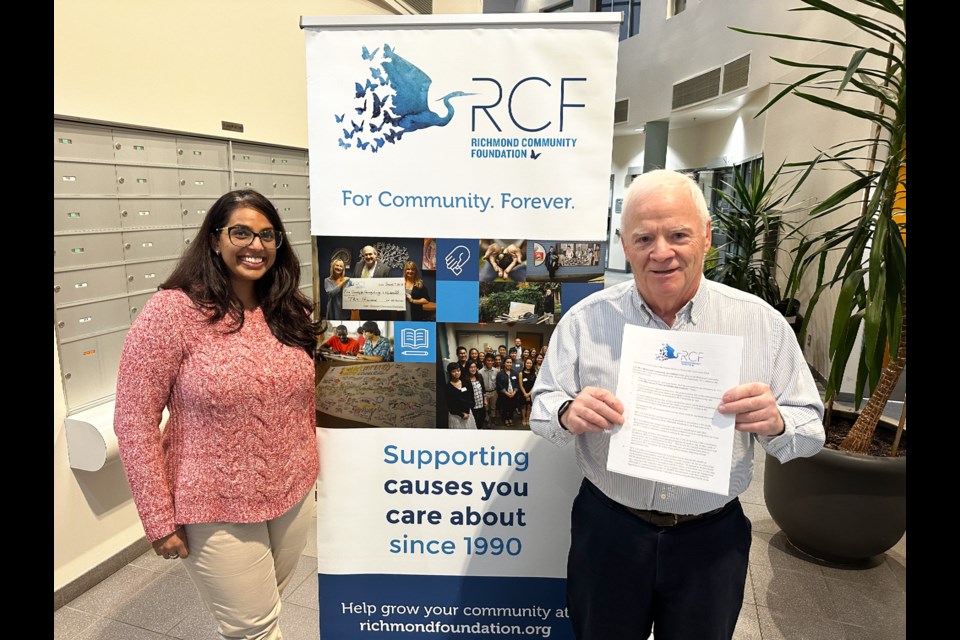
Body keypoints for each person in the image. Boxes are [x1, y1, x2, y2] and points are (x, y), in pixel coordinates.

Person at [530, 170, 825, 640]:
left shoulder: (761, 325)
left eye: (678, 234)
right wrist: (567, 412)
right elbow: (541, 406)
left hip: (710, 541)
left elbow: (811, 431)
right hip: (609, 533)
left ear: (707, 237)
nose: (661, 251)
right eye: (644, 237)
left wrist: (778, 422)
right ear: (624, 245)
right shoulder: (585, 321)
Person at [113, 189, 320, 639]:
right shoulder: (171, 312)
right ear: (213, 239)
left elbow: (302, 402)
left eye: (268, 235)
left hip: (293, 491)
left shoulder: (286, 306)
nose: (256, 245)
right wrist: (158, 519)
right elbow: (133, 419)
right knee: (254, 628)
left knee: (266, 606)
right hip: (214, 502)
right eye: (241, 232)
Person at [445, 362, 477, 429]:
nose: (456, 373)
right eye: (453, 371)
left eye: (458, 370)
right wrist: (462, 414)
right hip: (456, 415)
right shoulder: (448, 387)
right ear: (450, 373)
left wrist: (467, 411)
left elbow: (470, 397)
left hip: (467, 412)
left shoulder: (466, 382)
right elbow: (450, 404)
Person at [496, 357, 520, 428]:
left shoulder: (515, 373)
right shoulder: (500, 374)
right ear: (504, 363)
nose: (509, 364)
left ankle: (510, 418)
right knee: (505, 408)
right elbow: (499, 384)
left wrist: (514, 392)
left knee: (512, 407)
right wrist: (506, 393)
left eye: (510, 362)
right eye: (507, 362)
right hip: (504, 394)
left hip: (513, 394)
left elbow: (517, 384)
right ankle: (505, 419)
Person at [463, 361, 488, 430]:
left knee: (482, 418)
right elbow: (464, 394)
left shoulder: (479, 376)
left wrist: (485, 399)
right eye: (471, 367)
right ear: (467, 368)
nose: (473, 369)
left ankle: (480, 429)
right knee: (474, 421)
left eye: (474, 367)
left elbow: (483, 389)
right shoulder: (465, 379)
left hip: (481, 403)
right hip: (472, 405)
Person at [479, 354, 500, 428]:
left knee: (493, 407)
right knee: (486, 408)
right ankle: (487, 420)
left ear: (493, 362)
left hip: (494, 392)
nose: (490, 362)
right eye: (488, 360)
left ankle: (493, 418)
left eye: (491, 361)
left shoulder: (496, 371)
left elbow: (498, 382)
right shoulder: (480, 372)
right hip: (485, 393)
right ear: (485, 361)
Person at [518, 357, 537, 427]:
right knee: (523, 407)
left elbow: (535, 385)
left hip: (531, 393)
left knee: (529, 407)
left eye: (530, 363)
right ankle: (523, 419)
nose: (529, 364)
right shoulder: (521, 373)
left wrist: (529, 394)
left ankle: (528, 419)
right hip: (523, 393)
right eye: (527, 363)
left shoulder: (534, 374)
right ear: (525, 364)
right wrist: (525, 394)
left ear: (532, 364)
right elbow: (520, 385)